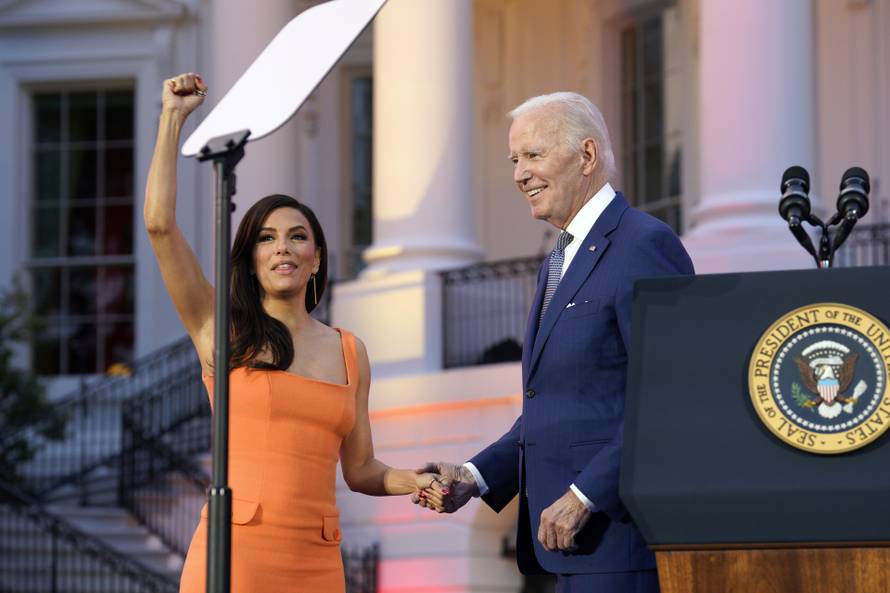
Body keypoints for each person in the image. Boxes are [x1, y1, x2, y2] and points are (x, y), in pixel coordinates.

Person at [144, 72, 447, 593]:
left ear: (316, 258)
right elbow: (159, 225)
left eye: (296, 236)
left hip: (317, 560)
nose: (282, 247)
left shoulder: (349, 350)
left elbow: (361, 469)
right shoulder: (222, 331)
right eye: (266, 238)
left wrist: (413, 480)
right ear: (251, 259)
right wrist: (172, 118)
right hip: (235, 554)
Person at [414, 92, 694, 593]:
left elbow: (669, 396)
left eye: (533, 155)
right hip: (570, 553)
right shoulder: (558, 260)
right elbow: (557, 404)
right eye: (514, 160)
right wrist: (475, 476)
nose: (520, 174)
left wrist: (586, 495)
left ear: (586, 155)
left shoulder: (643, 244)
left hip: (620, 545)